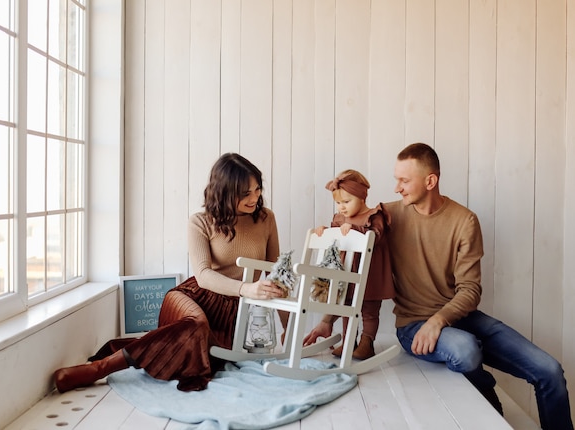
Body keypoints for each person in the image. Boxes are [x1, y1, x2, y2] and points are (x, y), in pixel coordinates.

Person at [53, 153, 287, 393]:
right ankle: (100, 369)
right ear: (226, 191)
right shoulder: (201, 221)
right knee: (195, 325)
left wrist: (288, 330)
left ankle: (135, 350)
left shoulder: (266, 219)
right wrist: (246, 289)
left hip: (229, 314)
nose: (255, 197)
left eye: (257, 189)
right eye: (245, 193)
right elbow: (204, 275)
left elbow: (277, 276)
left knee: (196, 344)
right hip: (192, 296)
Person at [385, 143, 572, 429]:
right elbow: (347, 225)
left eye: (404, 180)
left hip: (459, 318)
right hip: (413, 325)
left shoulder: (464, 220)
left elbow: (470, 291)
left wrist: (439, 320)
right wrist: (331, 227)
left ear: (430, 181)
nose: (397, 187)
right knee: (465, 349)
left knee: (550, 371)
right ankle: (491, 403)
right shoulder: (388, 216)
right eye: (396, 179)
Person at [304, 169, 395, 360]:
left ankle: (367, 342)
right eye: (338, 203)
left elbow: (375, 237)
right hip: (347, 273)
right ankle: (348, 340)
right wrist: (325, 232)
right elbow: (335, 240)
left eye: (347, 202)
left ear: (362, 198)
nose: (342, 207)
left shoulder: (374, 215)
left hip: (369, 273)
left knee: (369, 310)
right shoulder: (339, 219)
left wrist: (353, 229)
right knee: (346, 306)